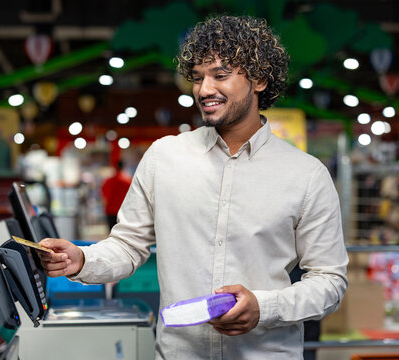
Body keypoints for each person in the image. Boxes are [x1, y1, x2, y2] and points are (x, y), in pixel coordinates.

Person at [38, 15, 348, 359]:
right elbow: (128, 246)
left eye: (220, 75)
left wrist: (264, 306)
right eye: (198, 77)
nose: (204, 89)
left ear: (259, 79)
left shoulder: (306, 175)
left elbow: (329, 282)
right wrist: (81, 258)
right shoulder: (165, 157)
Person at [100, 160, 132, 230]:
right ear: (123, 167)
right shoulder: (128, 181)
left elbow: (104, 195)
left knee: (112, 233)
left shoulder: (108, 181)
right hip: (123, 211)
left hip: (110, 211)